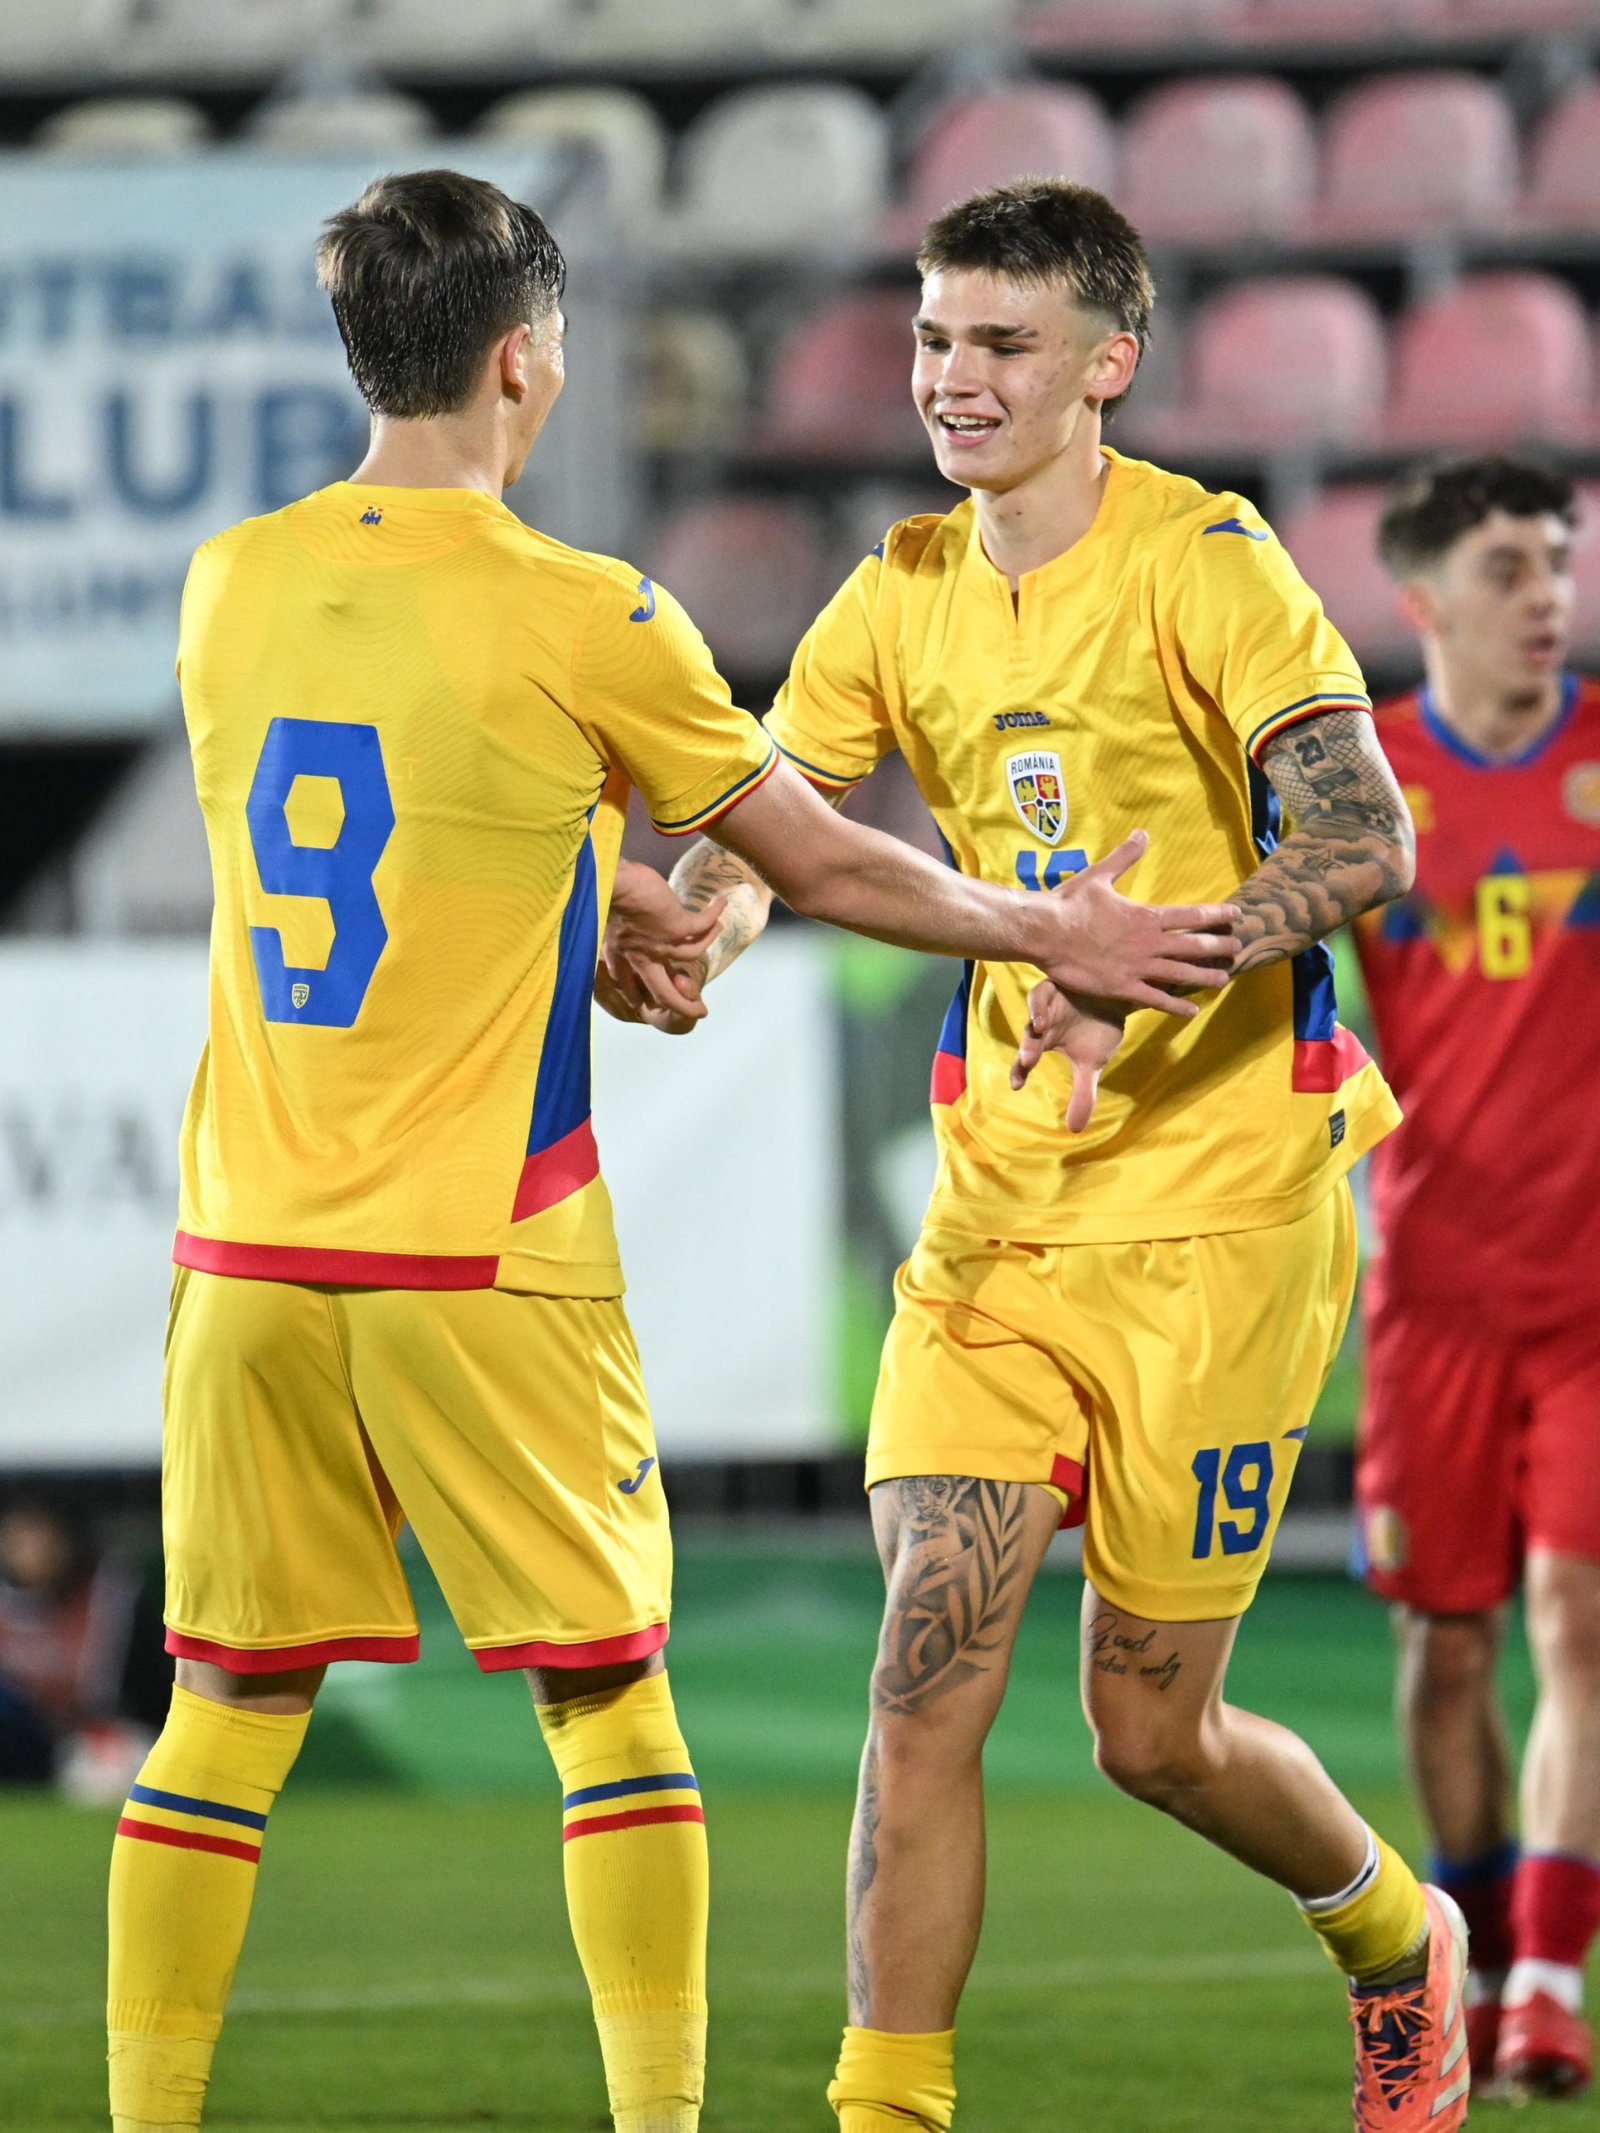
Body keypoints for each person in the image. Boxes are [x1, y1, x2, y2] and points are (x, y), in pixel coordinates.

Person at [102, 169, 1238, 2133]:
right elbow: (807, 852)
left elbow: (399, 821)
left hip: (246, 1252)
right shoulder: (582, 608)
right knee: (605, 1702)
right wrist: (1052, 922)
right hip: (482, 1244)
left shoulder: (235, 584)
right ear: (528, 359)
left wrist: (594, 898)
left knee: (221, 1711)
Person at [647, 179, 1466, 2133]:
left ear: (1109, 361)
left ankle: (1387, 1936)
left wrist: (1148, 963)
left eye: (999, 342)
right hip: (997, 1219)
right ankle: (886, 2109)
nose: (952, 377)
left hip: (1221, 1219)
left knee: (1143, 1730)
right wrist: (702, 919)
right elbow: (782, 822)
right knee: (921, 1677)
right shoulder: (903, 583)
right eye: (933, 337)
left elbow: (1364, 843)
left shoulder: (1211, 561)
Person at [1353, 457, 1600, 2100]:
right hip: (1430, 1295)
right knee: (1448, 1647)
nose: (1549, 593)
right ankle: (1494, 1944)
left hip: (1593, 1295)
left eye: (1562, 561)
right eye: (1509, 566)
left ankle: (1549, 1989)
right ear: (1427, 600)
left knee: (1575, 1616)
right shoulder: (1361, 786)